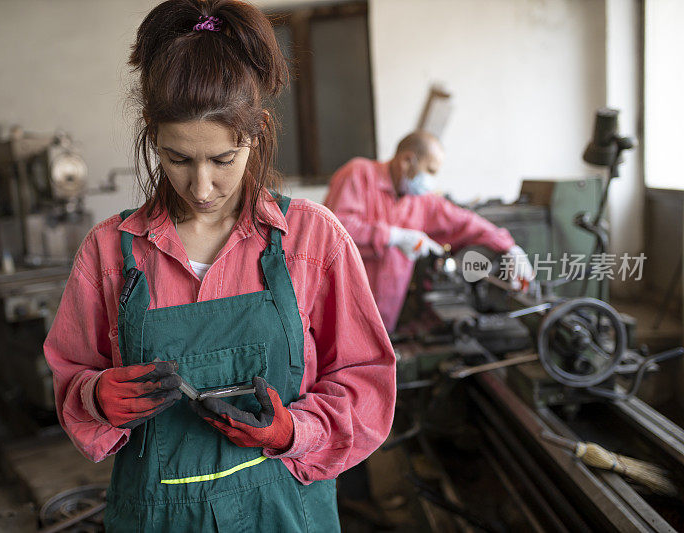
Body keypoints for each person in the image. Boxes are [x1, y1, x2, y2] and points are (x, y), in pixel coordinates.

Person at [43, 1, 396, 530]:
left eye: (223, 160)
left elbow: (365, 381)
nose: (202, 187)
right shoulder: (109, 252)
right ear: (152, 139)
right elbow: (72, 375)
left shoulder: (311, 240)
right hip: (154, 517)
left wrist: (294, 432)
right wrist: (95, 396)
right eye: (178, 159)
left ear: (257, 133)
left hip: (282, 512)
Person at [324, 130, 534, 332]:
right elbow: (334, 229)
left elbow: (464, 222)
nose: (431, 180)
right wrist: (394, 236)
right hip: (344, 311)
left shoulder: (422, 201)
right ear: (407, 161)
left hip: (384, 319)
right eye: (430, 170)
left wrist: (510, 247)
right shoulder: (359, 174)